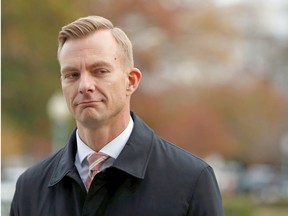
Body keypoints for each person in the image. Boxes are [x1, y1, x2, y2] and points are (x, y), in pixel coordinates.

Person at [10, 16, 224, 216]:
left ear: (131, 81)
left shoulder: (190, 181)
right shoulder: (30, 188)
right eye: (72, 75)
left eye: (100, 71)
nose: (85, 85)